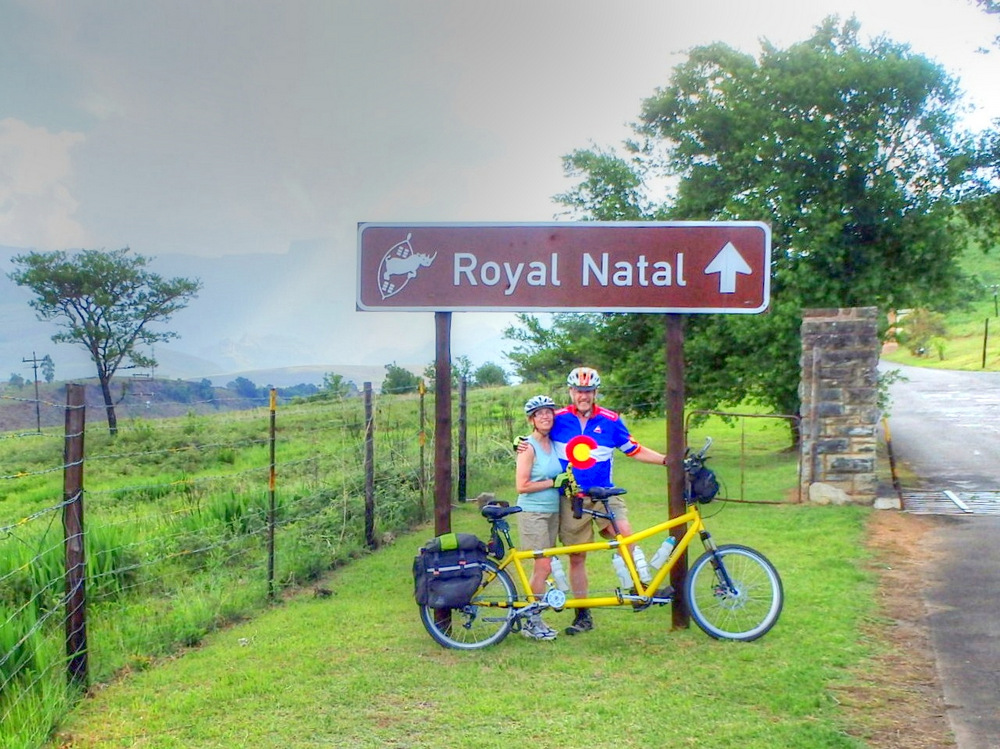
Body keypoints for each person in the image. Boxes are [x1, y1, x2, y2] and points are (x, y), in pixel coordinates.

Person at [549, 366, 668, 635]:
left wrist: (665, 459)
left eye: (588, 391)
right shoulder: (557, 420)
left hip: (604, 494)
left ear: (595, 392)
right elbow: (536, 439)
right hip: (572, 499)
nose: (584, 396)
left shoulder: (611, 420)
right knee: (577, 557)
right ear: (571, 392)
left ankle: (638, 589)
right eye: (579, 391)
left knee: (625, 537)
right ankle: (582, 614)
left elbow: (634, 450)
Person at [514, 394, 569, 641]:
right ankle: (531, 620)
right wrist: (551, 482)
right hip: (532, 512)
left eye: (548, 411)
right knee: (543, 566)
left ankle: (532, 615)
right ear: (531, 420)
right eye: (539, 413)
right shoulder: (527, 446)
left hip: (552, 510)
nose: (545, 416)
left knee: (545, 567)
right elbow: (521, 485)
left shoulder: (555, 444)